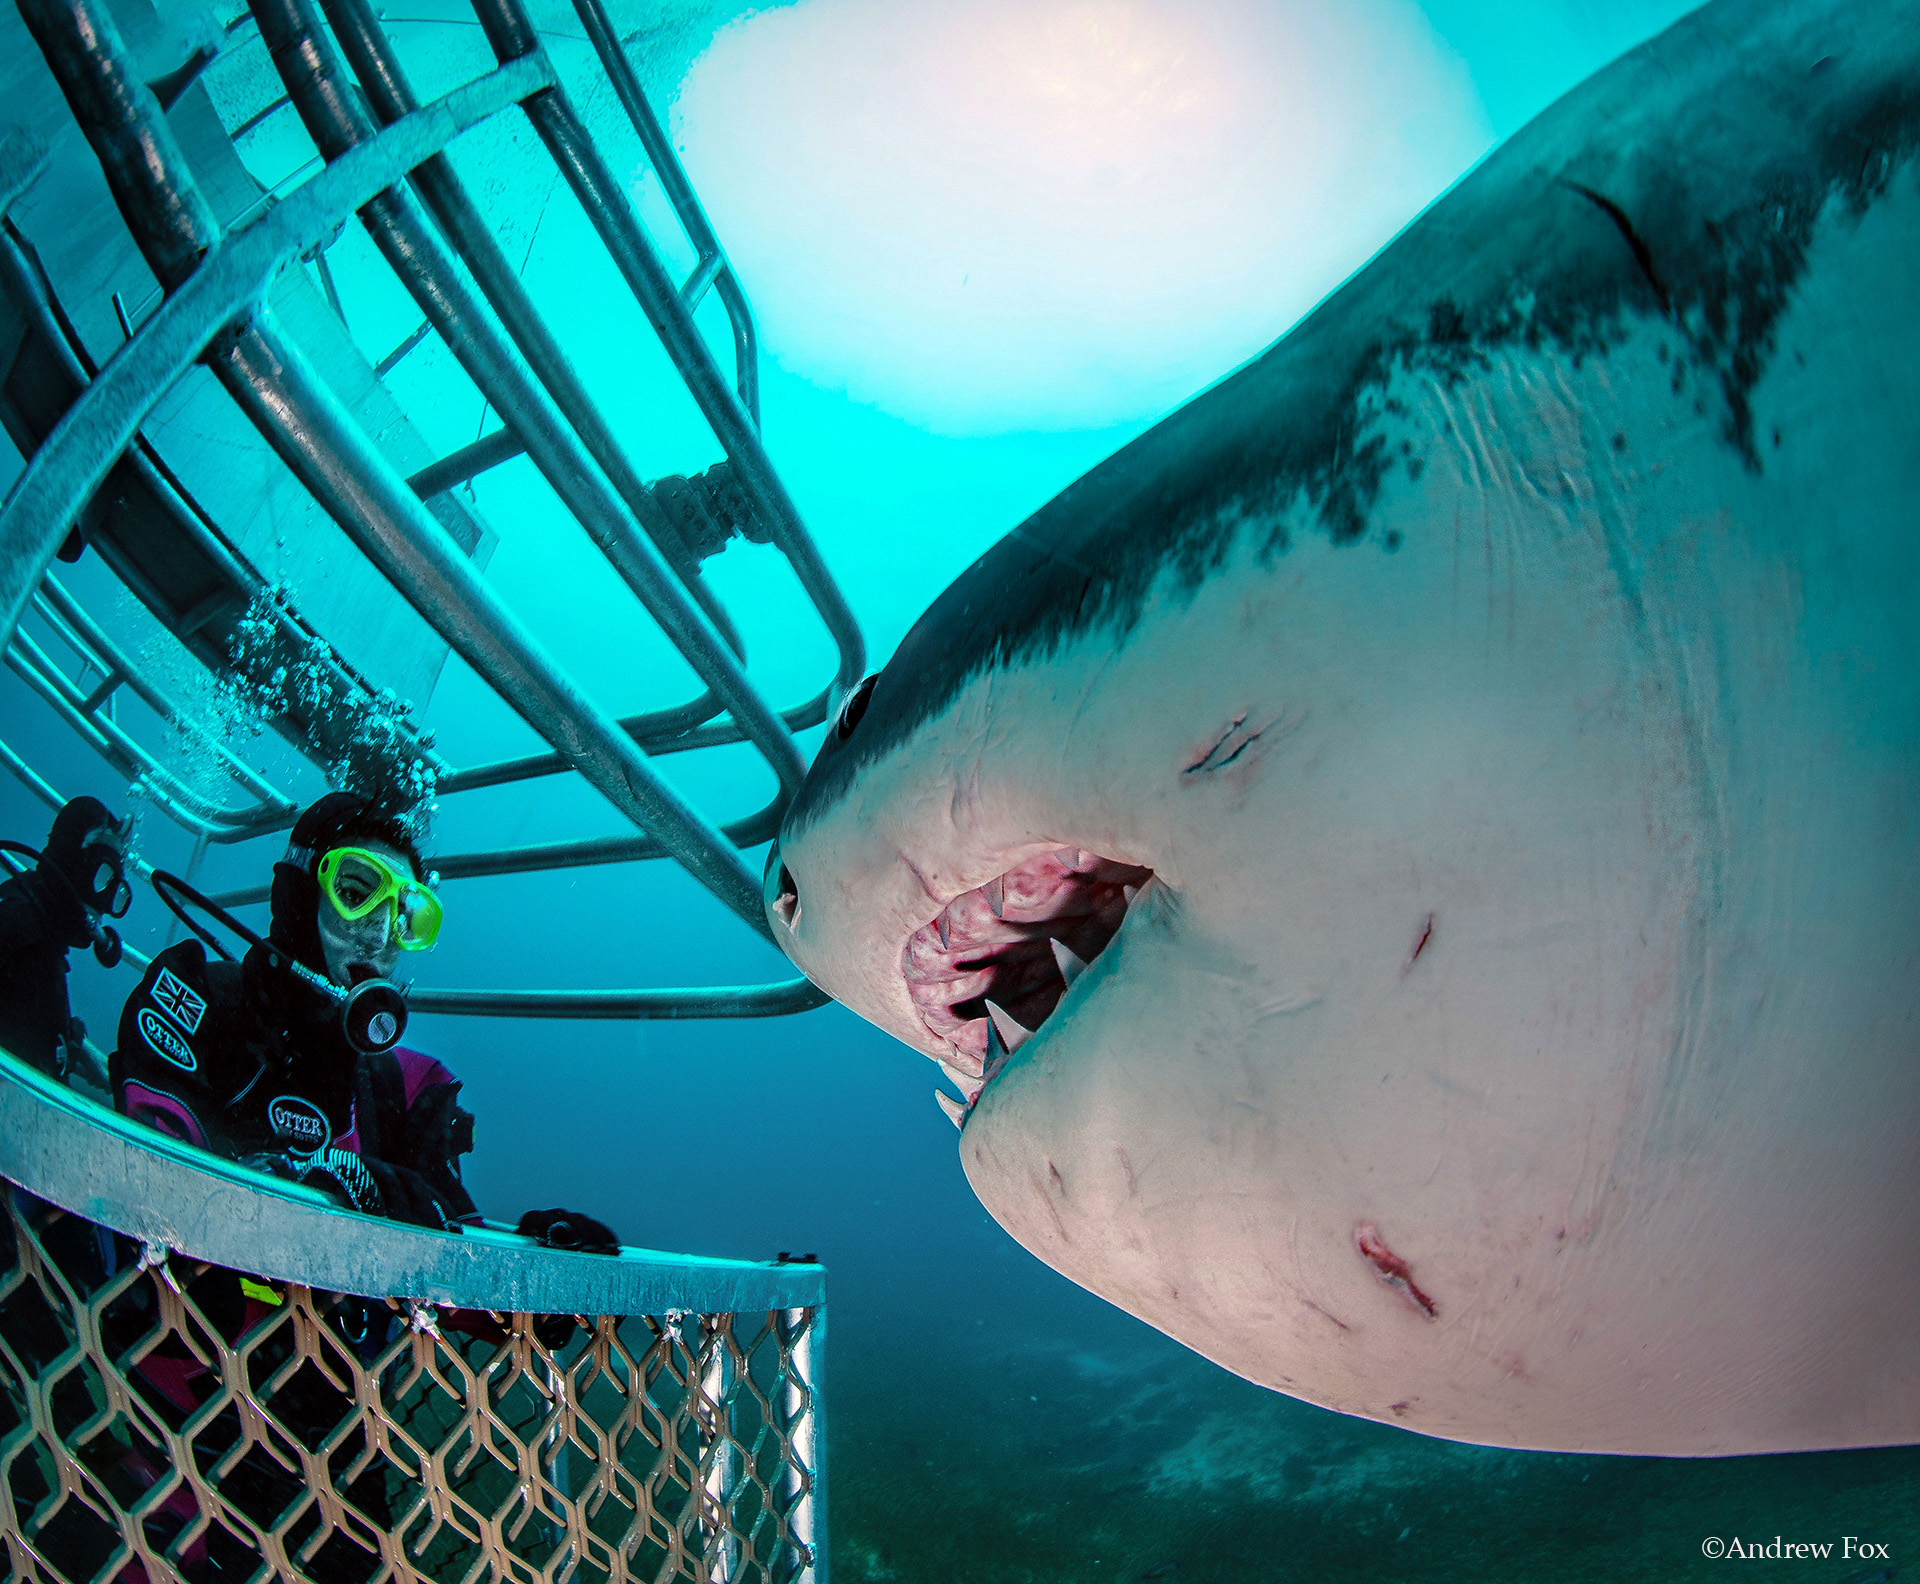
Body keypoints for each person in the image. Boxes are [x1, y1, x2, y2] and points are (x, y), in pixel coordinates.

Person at [114, 792, 485, 1231]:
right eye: (354, 892)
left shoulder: (406, 1087)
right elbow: (147, 1187)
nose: (379, 936)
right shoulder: (195, 994)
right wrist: (304, 1183)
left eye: (405, 917)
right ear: (300, 898)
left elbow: (463, 1247)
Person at [0, 794, 130, 1082]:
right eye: (102, 878)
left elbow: (29, 1014)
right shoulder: (22, 930)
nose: (105, 907)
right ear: (73, 865)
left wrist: (78, 1047)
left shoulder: (37, 926)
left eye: (113, 888)